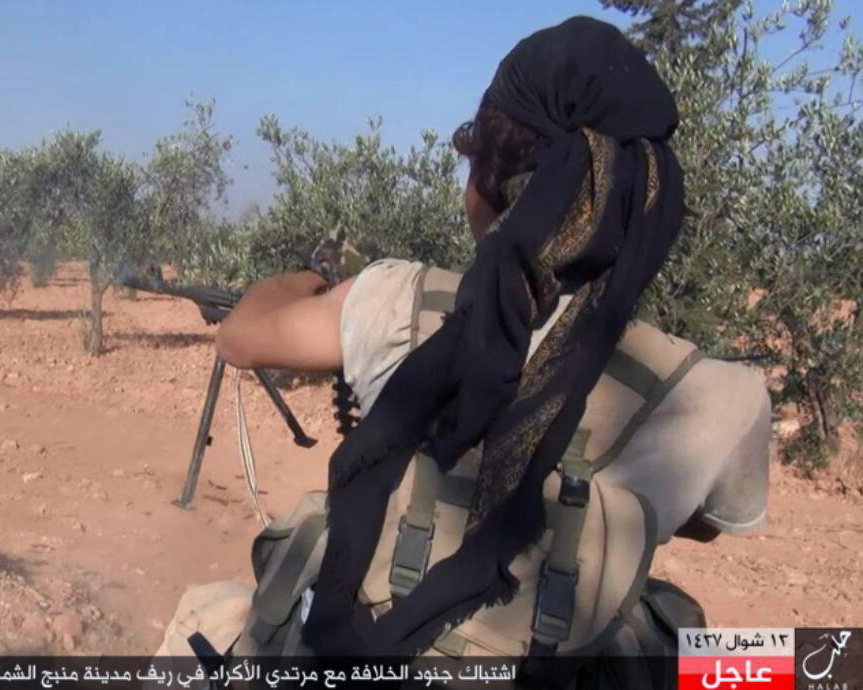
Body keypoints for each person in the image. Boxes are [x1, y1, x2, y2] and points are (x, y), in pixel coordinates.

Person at [210, 15, 770, 661]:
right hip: (557, 659)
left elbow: (242, 336)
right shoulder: (726, 395)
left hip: (356, 645)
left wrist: (314, 273)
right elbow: (705, 527)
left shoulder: (397, 297)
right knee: (753, 659)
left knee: (215, 613)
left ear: (494, 181)